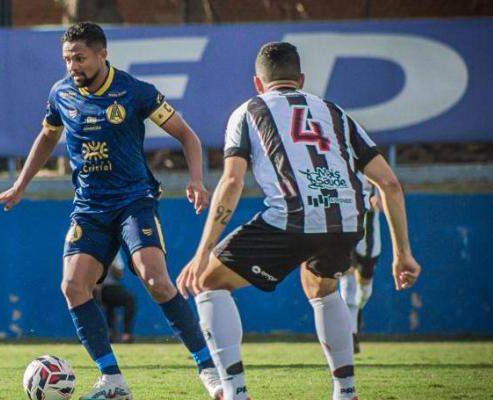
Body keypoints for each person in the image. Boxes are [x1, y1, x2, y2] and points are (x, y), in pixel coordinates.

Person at [0, 21, 222, 400]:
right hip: (90, 207)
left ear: (102, 54)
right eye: (67, 59)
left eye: (79, 58)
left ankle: (209, 369)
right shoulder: (61, 93)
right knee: (73, 286)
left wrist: (196, 179)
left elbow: (187, 136)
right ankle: (112, 380)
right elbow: (47, 136)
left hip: (133, 200)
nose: (72, 66)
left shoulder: (134, 91)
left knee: (155, 279)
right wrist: (19, 185)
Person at [176, 42, 422, 400]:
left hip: (293, 216)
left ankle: (234, 392)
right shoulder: (334, 112)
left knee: (208, 283)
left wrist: (203, 252)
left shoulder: (248, 111)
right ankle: (346, 391)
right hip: (347, 218)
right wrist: (402, 253)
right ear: (301, 80)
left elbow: (231, 182)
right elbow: (390, 184)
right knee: (321, 288)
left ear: (257, 83)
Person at [339, 185, 382, 353]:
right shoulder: (339, 170)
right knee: (347, 284)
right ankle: (351, 336)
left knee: (363, 292)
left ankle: (357, 312)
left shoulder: (377, 175)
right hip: (344, 234)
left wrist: (381, 201)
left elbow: (393, 191)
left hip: (368, 242)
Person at [95, 251, 136, 343]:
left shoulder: (115, 251)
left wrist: (110, 260)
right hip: (94, 287)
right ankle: (96, 335)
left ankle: (126, 334)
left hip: (111, 287)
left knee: (129, 298)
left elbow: (119, 274)